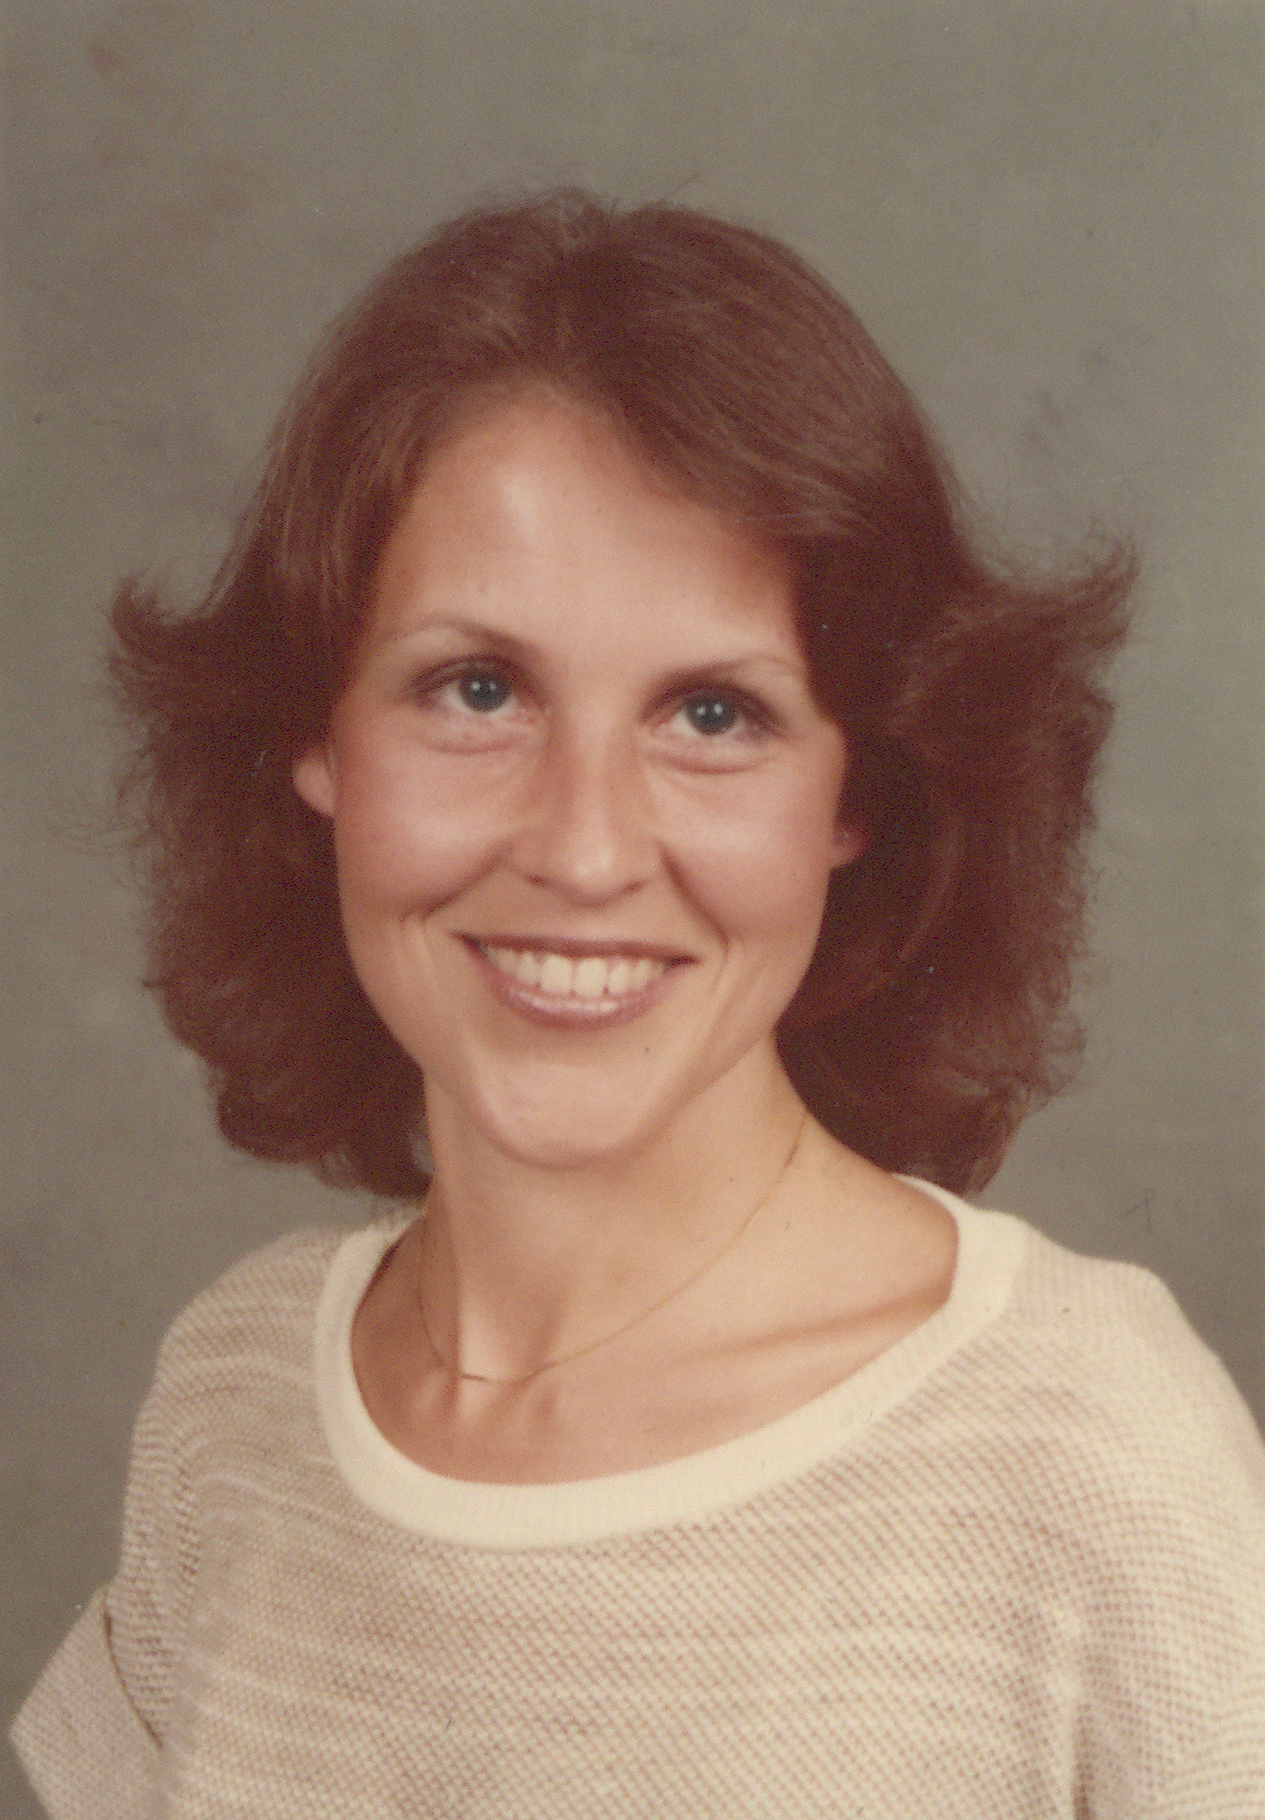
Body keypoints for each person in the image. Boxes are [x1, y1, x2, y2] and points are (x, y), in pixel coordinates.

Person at [12, 190, 1265, 1818]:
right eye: (477, 690)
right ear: (310, 738)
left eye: (713, 715)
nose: (584, 847)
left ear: (858, 793)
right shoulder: (233, 1401)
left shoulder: (1083, 1449)